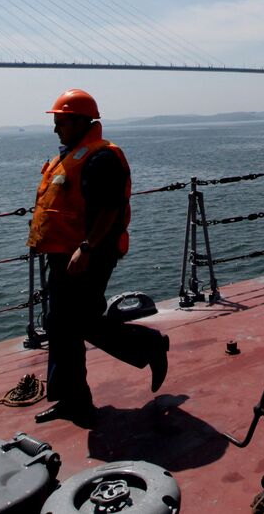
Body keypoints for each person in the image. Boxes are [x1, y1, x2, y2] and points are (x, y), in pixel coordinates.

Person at [27, 88, 169, 427]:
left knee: (79, 321)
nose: (56, 128)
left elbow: (110, 209)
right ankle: (73, 400)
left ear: (78, 121)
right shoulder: (71, 154)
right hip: (62, 255)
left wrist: (87, 247)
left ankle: (149, 345)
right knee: (60, 325)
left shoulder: (100, 158)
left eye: (60, 121)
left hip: (90, 253)